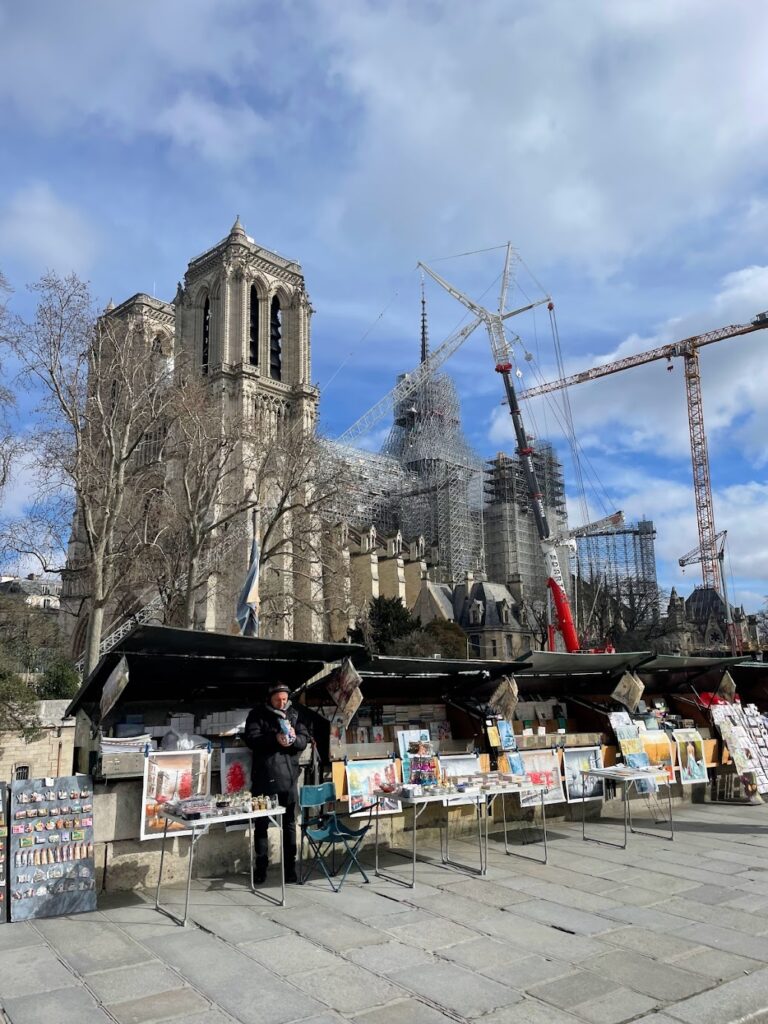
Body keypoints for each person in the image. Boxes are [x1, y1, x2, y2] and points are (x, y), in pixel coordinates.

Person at [244, 683, 309, 884]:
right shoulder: (257, 714)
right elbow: (251, 739)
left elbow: (304, 739)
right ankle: (261, 867)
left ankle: (290, 867)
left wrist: (293, 741)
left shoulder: (295, 714)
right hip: (264, 777)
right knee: (261, 823)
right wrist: (275, 739)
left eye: (284, 699)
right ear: (269, 699)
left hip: (289, 777)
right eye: (277, 700)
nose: (281, 703)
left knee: (289, 824)